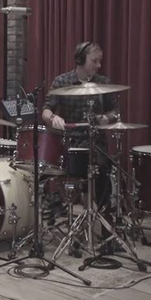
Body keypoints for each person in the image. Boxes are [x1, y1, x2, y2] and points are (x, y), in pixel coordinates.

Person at [40, 41, 119, 235]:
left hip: (96, 144)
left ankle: (107, 232)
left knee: (104, 183)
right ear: (80, 60)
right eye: (94, 61)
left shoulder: (103, 82)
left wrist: (106, 118)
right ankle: (56, 207)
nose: (99, 65)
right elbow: (46, 110)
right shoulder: (62, 82)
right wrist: (53, 117)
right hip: (70, 144)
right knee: (47, 170)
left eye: (100, 61)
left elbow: (115, 111)